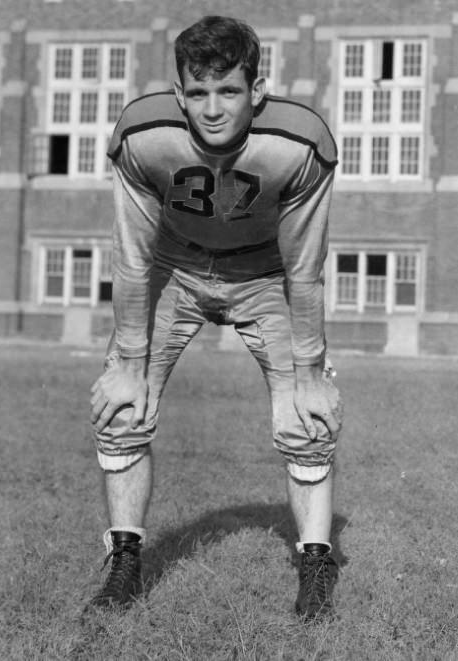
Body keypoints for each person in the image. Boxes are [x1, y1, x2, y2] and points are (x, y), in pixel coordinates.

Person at [88, 15, 343, 621]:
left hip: (263, 273)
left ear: (258, 89)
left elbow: (305, 268)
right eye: (197, 93)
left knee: (306, 416)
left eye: (228, 91)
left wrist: (308, 371)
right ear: (178, 95)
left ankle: (315, 560)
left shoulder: (300, 144)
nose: (211, 109)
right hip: (175, 265)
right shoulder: (144, 135)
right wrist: (128, 364)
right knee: (122, 407)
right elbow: (130, 255)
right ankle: (124, 558)